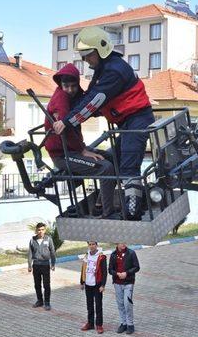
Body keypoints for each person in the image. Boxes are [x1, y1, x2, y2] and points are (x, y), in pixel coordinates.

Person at [52, 26, 155, 220]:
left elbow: (94, 100)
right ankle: (102, 203)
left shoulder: (113, 71)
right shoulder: (104, 69)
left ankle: (132, 210)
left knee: (128, 166)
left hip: (136, 120)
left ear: (101, 49)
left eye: (88, 55)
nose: (85, 60)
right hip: (127, 121)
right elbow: (90, 97)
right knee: (112, 160)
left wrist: (68, 121)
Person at [45, 63, 116, 218]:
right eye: (66, 86)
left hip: (73, 149)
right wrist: (84, 151)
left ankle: (99, 205)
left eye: (73, 86)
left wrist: (109, 110)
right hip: (62, 154)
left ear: (78, 84)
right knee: (106, 168)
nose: (70, 90)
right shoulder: (61, 98)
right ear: (60, 85)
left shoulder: (76, 96)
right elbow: (66, 128)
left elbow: (88, 106)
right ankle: (106, 213)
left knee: (112, 158)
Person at [108, 243, 140, 334]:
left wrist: (126, 273)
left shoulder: (131, 253)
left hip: (128, 283)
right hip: (117, 283)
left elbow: (137, 267)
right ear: (117, 244)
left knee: (127, 303)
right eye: (121, 242)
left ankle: (130, 324)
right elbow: (110, 270)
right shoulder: (113, 255)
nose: (124, 244)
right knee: (120, 303)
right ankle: (123, 323)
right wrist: (117, 274)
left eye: (125, 242)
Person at [79, 241, 107, 333]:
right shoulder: (87, 255)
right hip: (88, 284)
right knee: (89, 305)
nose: (91, 246)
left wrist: (103, 285)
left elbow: (104, 272)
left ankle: (99, 325)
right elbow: (83, 268)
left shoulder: (101, 257)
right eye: (90, 244)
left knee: (98, 305)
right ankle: (90, 323)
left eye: (93, 244)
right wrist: (82, 282)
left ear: (97, 245)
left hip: (97, 284)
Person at [28, 222, 56, 311]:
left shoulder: (48, 239)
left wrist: (53, 264)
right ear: (36, 230)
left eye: (42, 230)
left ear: (45, 230)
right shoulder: (32, 240)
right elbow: (30, 253)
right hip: (36, 265)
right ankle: (40, 301)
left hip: (45, 265)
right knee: (37, 284)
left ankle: (47, 302)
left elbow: (52, 252)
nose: (41, 231)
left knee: (46, 284)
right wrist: (29, 265)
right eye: (39, 230)